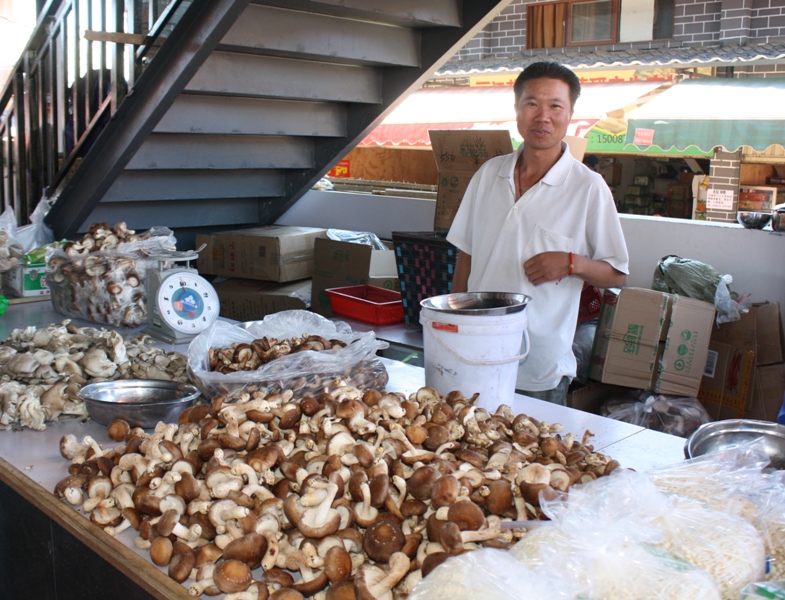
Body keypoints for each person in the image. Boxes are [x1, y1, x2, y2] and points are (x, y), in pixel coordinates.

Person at [446, 61, 629, 408]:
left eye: (555, 106)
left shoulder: (587, 187)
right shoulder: (489, 175)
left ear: (570, 113)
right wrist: (456, 327)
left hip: (539, 365)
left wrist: (572, 263)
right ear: (517, 110)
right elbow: (465, 255)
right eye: (532, 104)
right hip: (478, 351)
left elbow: (617, 272)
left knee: (531, 459)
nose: (542, 116)